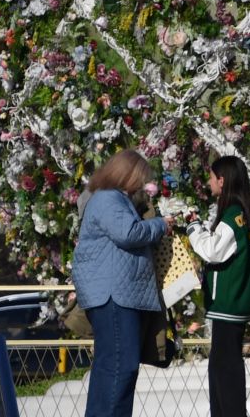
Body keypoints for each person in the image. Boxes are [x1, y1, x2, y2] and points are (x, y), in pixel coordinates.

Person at [72, 149, 171, 417]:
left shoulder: (109, 199)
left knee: (112, 367)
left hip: (117, 294)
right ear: (125, 174)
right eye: (139, 178)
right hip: (115, 295)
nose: (141, 185)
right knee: (121, 366)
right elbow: (128, 233)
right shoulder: (108, 199)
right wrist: (161, 225)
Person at [186, 156, 250, 417]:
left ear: (222, 180)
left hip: (229, 301)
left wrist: (193, 227)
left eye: (211, 176)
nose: (208, 182)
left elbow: (213, 251)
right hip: (233, 301)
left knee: (225, 370)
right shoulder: (240, 212)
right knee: (220, 367)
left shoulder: (233, 214)